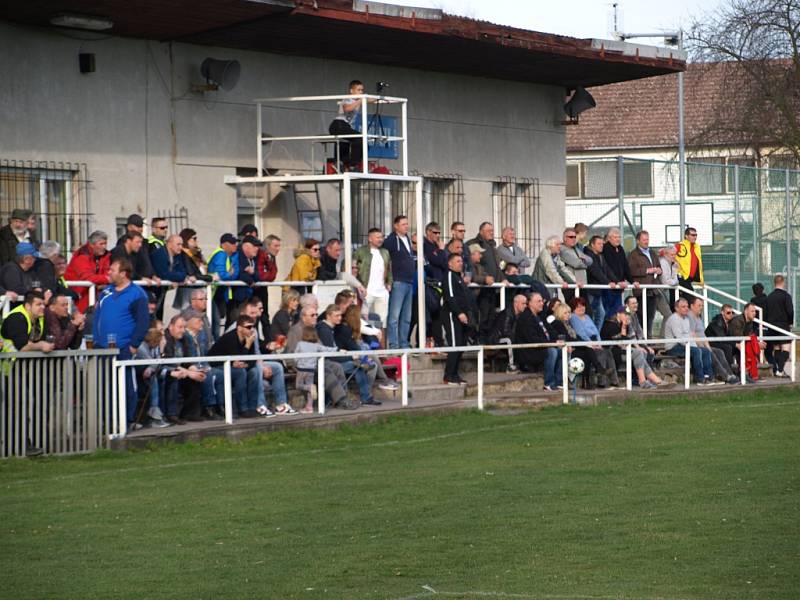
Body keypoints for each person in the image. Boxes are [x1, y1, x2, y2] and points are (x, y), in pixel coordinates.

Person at [92, 257, 150, 425]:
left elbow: (143, 322)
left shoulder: (137, 294)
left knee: (125, 386)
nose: (108, 273)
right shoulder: (105, 292)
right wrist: (96, 340)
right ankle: (108, 422)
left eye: (112, 270)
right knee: (105, 386)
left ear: (123, 274)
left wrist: (133, 345)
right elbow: (98, 317)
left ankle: (126, 420)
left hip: (124, 348)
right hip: (102, 348)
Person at [317, 304, 378, 405]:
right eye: (336, 316)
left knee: (361, 365)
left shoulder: (330, 328)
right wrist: (350, 356)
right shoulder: (324, 330)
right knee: (358, 366)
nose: (340, 318)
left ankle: (366, 397)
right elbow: (330, 354)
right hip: (328, 363)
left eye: (340, 315)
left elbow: (334, 350)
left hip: (334, 360)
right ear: (328, 316)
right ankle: (364, 397)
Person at [207, 314, 264, 418]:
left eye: (253, 327)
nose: (252, 330)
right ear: (239, 328)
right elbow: (237, 358)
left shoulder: (249, 338)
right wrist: (247, 346)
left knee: (255, 371)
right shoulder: (231, 338)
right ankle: (243, 409)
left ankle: (252, 407)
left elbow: (251, 359)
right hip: (217, 365)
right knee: (240, 373)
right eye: (248, 327)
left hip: (235, 366)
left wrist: (245, 364)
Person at [600, 307, 664, 388]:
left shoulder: (625, 324)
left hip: (621, 350)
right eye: (625, 314)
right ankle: (645, 380)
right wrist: (624, 327)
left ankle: (652, 380)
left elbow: (631, 338)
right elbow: (621, 343)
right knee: (638, 353)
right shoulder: (610, 324)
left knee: (641, 352)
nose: (627, 317)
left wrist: (642, 347)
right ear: (618, 314)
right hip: (611, 352)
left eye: (628, 315)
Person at [160, 315, 207, 423]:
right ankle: (172, 414)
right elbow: (169, 361)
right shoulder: (166, 339)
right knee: (176, 378)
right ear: (171, 326)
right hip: (168, 369)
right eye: (179, 327)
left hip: (181, 369)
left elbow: (187, 360)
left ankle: (189, 413)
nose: (182, 330)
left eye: (184, 327)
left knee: (197, 378)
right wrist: (189, 373)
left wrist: (194, 369)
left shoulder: (184, 338)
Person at [513, 292, 561, 390]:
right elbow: (532, 339)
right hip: (530, 350)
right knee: (552, 351)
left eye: (542, 301)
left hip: (544, 346)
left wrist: (558, 341)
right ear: (530, 303)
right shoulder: (525, 318)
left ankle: (559, 382)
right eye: (538, 301)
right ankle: (549, 383)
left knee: (563, 351)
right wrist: (552, 344)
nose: (542, 303)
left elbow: (551, 332)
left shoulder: (540, 316)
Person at [569, 297, 620, 388]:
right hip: (583, 342)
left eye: (583, 306)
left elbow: (596, 331)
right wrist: (592, 344)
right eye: (578, 307)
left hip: (594, 341)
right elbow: (581, 333)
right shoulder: (574, 317)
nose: (581, 308)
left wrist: (599, 343)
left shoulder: (587, 317)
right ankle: (601, 379)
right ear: (573, 308)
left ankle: (614, 380)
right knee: (597, 352)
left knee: (607, 351)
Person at [662, 298, 715, 386]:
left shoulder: (686, 318)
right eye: (683, 307)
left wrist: (695, 346)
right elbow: (679, 338)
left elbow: (689, 335)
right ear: (676, 308)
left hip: (685, 344)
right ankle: (700, 379)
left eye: (687, 306)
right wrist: (694, 347)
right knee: (696, 351)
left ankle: (709, 377)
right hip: (673, 347)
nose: (686, 308)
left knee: (705, 351)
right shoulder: (674, 319)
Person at [687, 297, 739, 384]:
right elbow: (692, 334)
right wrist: (703, 346)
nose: (701, 307)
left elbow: (703, 335)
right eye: (699, 305)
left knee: (719, 352)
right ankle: (726, 376)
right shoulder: (690, 317)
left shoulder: (698, 318)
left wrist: (708, 347)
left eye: (702, 305)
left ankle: (730, 373)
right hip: (695, 345)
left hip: (704, 344)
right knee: (713, 352)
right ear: (692, 306)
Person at [467, 222, 504, 340]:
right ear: (481, 231)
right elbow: (471, 273)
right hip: (480, 289)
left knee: (491, 315)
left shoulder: (493, 246)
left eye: (492, 230)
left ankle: (488, 341)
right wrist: (484, 279)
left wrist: (503, 279)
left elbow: (498, 267)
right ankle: (480, 340)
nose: (491, 233)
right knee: (482, 316)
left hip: (492, 287)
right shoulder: (473, 244)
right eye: (489, 231)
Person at [383, 216, 415, 349]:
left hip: (409, 281)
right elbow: (385, 259)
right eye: (403, 224)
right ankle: (394, 344)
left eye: (407, 224)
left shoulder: (407, 239)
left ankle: (404, 343)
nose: (406, 226)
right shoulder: (391, 240)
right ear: (396, 226)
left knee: (407, 317)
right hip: (398, 281)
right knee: (394, 316)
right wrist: (388, 279)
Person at [441, 253, 473, 386]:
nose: (461, 263)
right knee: (455, 344)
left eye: (461, 261)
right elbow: (450, 296)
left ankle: (455, 374)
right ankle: (448, 376)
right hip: (452, 315)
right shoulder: (449, 276)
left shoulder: (459, 277)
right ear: (450, 263)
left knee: (461, 344)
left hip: (463, 316)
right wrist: (459, 313)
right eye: (458, 261)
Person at [328, 79, 372, 169]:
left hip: (346, 126)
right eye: (358, 90)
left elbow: (371, 100)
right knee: (359, 138)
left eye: (362, 90)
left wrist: (380, 97)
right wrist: (359, 101)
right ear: (352, 91)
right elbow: (347, 109)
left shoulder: (359, 100)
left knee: (363, 143)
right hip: (338, 125)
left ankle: (345, 162)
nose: (361, 92)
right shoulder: (347, 99)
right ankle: (353, 165)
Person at [354, 228, 392, 333]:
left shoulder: (385, 252)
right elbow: (353, 267)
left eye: (382, 237)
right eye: (378, 237)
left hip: (382, 292)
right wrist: (358, 285)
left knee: (382, 323)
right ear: (370, 239)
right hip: (367, 291)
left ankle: (382, 348)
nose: (380, 239)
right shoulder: (361, 251)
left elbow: (389, 268)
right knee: (363, 320)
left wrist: (389, 282)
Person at [65, 230, 112, 313]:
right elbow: (87, 277)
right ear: (92, 245)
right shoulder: (81, 256)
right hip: (80, 296)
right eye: (101, 244)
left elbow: (108, 271)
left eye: (105, 243)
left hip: (96, 295)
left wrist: (104, 280)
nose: (104, 247)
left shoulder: (105, 255)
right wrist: (107, 279)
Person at [627, 230, 662, 338]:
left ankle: (649, 337)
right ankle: (641, 338)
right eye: (644, 240)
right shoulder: (633, 255)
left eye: (647, 239)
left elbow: (658, 266)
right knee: (641, 316)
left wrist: (659, 270)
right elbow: (631, 271)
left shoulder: (652, 253)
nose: (646, 242)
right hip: (641, 291)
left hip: (653, 290)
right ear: (638, 241)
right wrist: (647, 271)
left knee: (651, 316)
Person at [135, 324, 170, 428]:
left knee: (162, 378)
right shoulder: (142, 347)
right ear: (154, 341)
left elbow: (157, 364)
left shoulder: (152, 348)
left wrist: (151, 368)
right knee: (153, 378)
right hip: (138, 375)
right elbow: (155, 362)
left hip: (147, 373)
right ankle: (154, 412)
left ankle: (158, 412)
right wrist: (162, 349)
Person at [207, 233, 240, 331]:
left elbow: (232, 275)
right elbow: (221, 275)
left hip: (218, 292)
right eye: (232, 243)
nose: (235, 245)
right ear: (224, 244)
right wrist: (229, 274)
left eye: (236, 243)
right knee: (215, 323)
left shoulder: (227, 255)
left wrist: (230, 275)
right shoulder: (221, 254)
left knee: (217, 321)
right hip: (215, 293)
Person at [583, 235, 616, 331]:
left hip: (597, 291)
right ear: (592, 245)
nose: (602, 246)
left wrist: (617, 281)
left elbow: (608, 270)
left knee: (600, 314)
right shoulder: (588, 255)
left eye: (602, 244)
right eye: (599, 244)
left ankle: (595, 337)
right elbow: (596, 272)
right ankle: (592, 339)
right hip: (591, 291)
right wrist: (608, 283)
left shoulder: (600, 256)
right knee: (591, 315)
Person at [729, 302, 767, 383]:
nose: (755, 313)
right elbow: (737, 337)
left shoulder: (749, 322)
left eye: (755, 311)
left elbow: (750, 336)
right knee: (749, 347)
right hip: (731, 344)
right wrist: (756, 344)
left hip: (742, 344)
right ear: (746, 311)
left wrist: (757, 343)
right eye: (752, 311)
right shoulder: (737, 320)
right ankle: (746, 374)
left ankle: (751, 374)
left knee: (752, 347)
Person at [114, 214, 157, 282]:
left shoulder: (145, 243)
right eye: (138, 226)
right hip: (133, 282)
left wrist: (153, 275)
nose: (141, 229)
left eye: (142, 226)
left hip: (146, 282)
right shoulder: (122, 245)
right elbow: (126, 266)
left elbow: (147, 261)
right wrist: (139, 278)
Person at [602, 227, 635, 314]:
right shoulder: (606, 248)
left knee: (617, 311)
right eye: (615, 237)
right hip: (610, 286)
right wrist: (616, 282)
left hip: (619, 286)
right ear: (609, 238)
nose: (618, 239)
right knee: (609, 312)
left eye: (619, 237)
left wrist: (632, 281)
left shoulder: (620, 248)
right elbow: (608, 268)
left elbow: (625, 266)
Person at [766, 274, 794, 377]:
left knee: (777, 348)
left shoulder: (769, 297)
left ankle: (778, 369)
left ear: (774, 283)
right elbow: (790, 311)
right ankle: (780, 370)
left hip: (772, 326)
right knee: (786, 349)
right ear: (783, 282)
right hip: (783, 325)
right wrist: (790, 322)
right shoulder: (786, 296)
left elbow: (766, 312)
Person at [533, 235, 574, 301]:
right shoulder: (545, 254)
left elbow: (563, 269)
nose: (560, 246)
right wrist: (561, 282)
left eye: (560, 244)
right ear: (550, 245)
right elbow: (551, 271)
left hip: (550, 287)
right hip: (541, 287)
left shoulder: (555, 255)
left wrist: (575, 281)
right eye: (557, 244)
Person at [495, 293, 527, 372]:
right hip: (497, 338)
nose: (525, 306)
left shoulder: (520, 315)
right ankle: (511, 366)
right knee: (510, 340)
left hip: (509, 337)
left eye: (526, 303)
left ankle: (524, 363)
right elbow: (505, 331)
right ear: (516, 303)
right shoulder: (507, 314)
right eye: (523, 303)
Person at [0, 242, 39, 307]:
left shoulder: (30, 271)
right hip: (11, 309)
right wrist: (33, 292)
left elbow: (37, 284)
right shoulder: (11, 269)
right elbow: (16, 290)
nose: (35, 260)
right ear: (26, 259)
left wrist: (38, 289)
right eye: (34, 257)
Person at [705, 303, 737, 371]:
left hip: (718, 341)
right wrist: (735, 344)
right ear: (722, 313)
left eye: (732, 312)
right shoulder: (717, 322)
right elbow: (722, 338)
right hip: (710, 342)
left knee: (737, 348)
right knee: (728, 347)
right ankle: (728, 371)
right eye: (728, 313)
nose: (731, 314)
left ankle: (742, 371)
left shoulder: (729, 322)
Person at [559, 227, 591, 296]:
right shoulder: (562, 249)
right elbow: (577, 263)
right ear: (565, 238)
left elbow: (590, 260)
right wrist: (585, 263)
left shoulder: (576, 249)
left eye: (575, 237)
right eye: (571, 237)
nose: (574, 239)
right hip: (571, 286)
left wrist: (582, 261)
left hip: (582, 285)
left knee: (585, 306)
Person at [675, 227, 703, 294]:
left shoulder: (697, 247)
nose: (695, 237)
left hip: (693, 279)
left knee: (692, 300)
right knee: (692, 298)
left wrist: (701, 281)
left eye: (696, 235)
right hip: (683, 277)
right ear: (686, 236)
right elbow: (666, 253)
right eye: (693, 235)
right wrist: (676, 264)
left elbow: (698, 264)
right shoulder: (680, 245)